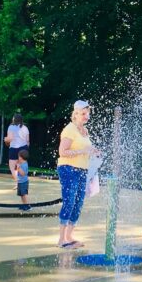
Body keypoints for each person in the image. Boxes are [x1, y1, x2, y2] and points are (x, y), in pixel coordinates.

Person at [57, 100, 98, 248]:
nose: (86, 116)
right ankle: (61, 240)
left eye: (88, 114)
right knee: (69, 202)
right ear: (75, 114)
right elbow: (62, 152)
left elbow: (85, 149)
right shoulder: (70, 129)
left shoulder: (84, 131)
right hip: (68, 169)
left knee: (78, 203)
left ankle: (69, 236)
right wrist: (83, 151)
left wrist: (94, 152)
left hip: (82, 170)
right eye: (83, 114)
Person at [5, 113, 30, 182]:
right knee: (23, 166)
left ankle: (18, 182)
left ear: (14, 119)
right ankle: (24, 181)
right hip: (24, 148)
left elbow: (10, 139)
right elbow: (27, 141)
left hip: (14, 148)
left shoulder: (11, 127)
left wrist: (5, 139)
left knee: (12, 167)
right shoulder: (25, 128)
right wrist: (26, 149)